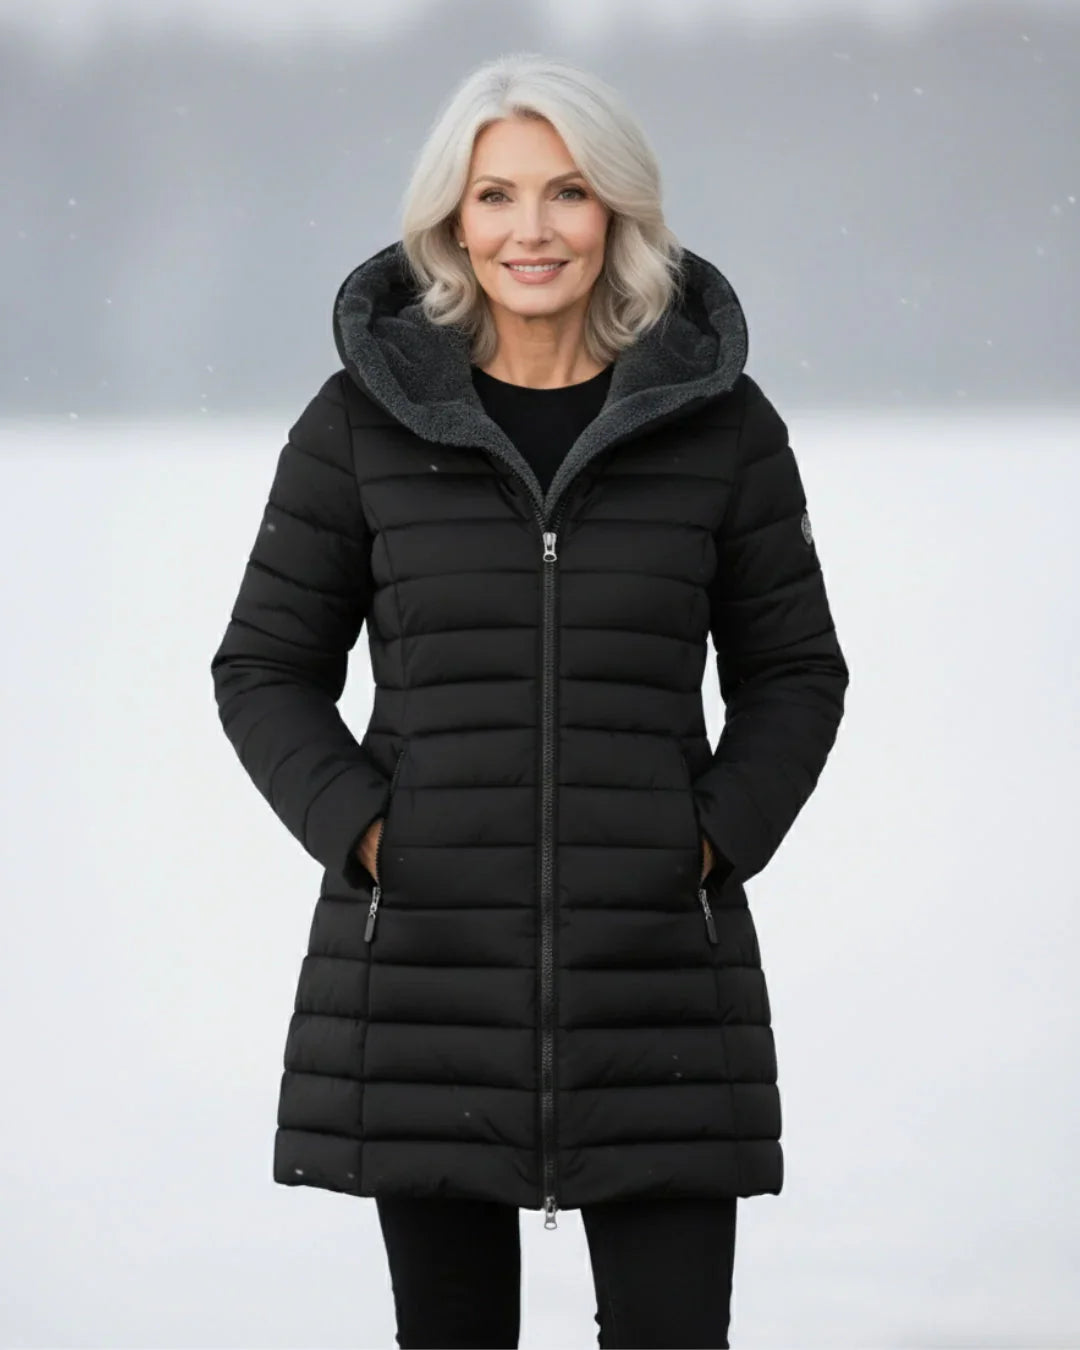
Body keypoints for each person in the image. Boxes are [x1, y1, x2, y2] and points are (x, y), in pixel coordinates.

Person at [210, 51, 849, 1350]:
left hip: (659, 986)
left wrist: (707, 841)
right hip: (426, 982)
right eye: (495, 195)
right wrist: (376, 837)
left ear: (617, 208)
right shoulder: (362, 425)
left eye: (567, 191)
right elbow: (264, 666)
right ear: (452, 219)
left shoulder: (722, 426)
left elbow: (796, 672)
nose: (531, 229)